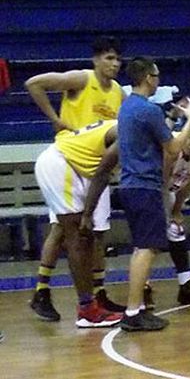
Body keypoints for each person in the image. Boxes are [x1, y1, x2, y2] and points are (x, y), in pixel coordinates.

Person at [25, 35, 125, 321]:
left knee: (95, 232)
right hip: (68, 159)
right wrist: (54, 119)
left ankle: (97, 293)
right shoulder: (81, 79)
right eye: (109, 57)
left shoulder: (117, 91)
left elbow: (130, 121)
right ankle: (43, 290)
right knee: (65, 231)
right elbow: (34, 84)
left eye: (118, 59)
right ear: (95, 60)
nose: (114, 64)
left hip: (95, 165)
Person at [106, 57, 190, 331]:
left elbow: (154, 137)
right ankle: (133, 312)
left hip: (130, 184)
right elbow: (173, 147)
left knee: (141, 248)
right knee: (146, 249)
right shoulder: (147, 110)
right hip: (144, 186)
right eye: (156, 75)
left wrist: (171, 119)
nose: (158, 79)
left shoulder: (128, 107)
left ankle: (137, 308)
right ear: (148, 77)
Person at [34, 119, 123, 327]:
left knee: (87, 238)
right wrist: (87, 215)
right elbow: (102, 174)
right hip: (61, 164)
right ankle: (86, 310)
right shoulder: (127, 132)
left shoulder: (123, 125)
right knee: (77, 236)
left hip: (71, 166)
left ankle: (90, 302)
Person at [143, 110, 190, 309]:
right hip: (153, 189)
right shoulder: (172, 147)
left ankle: (185, 286)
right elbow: (162, 179)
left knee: (177, 232)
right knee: (149, 241)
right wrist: (162, 210)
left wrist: (176, 210)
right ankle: (143, 289)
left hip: (169, 192)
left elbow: (189, 182)